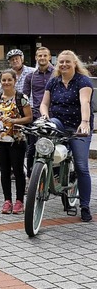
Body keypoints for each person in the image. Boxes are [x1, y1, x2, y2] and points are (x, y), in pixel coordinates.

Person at [40, 50, 94, 223]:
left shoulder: (82, 81)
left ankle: (84, 205)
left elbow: (84, 102)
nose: (64, 64)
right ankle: (48, 174)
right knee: (45, 134)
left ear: (74, 63)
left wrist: (85, 122)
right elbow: (44, 104)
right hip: (59, 123)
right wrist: (44, 117)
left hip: (78, 127)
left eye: (67, 62)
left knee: (81, 166)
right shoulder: (53, 82)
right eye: (61, 62)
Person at [0, 69, 32, 215]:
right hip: (1, 139)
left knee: (18, 170)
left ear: (15, 81)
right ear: (0, 82)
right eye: (4, 80)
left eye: (9, 80)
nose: (6, 83)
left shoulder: (21, 97)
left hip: (17, 139)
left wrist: (14, 120)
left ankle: (19, 201)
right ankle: (7, 200)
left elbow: (29, 118)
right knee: (5, 170)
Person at [22, 46, 54, 177]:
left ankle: (55, 176)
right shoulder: (31, 76)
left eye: (45, 55)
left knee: (54, 146)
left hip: (54, 115)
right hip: (36, 117)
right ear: (36, 58)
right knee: (32, 148)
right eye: (39, 56)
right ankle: (31, 177)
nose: (42, 58)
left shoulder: (57, 74)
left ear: (50, 57)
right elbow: (24, 97)